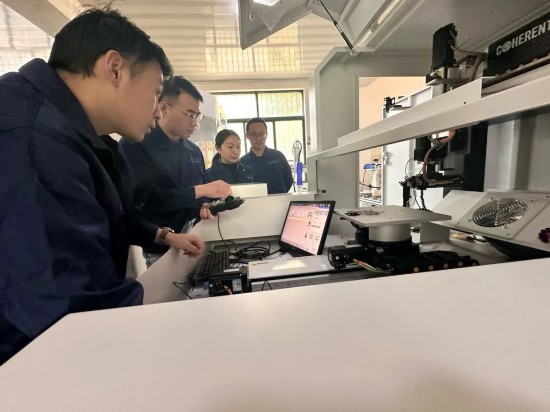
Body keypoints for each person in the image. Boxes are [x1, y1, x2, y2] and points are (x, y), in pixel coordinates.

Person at [0, 8, 205, 365]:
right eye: (155, 92)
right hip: (26, 361)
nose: (157, 110)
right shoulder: (32, 139)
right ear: (114, 69)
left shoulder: (73, 132)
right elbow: (71, 304)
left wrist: (162, 235)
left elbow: (108, 213)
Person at [119, 76, 231, 266]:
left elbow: (195, 198)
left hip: (195, 242)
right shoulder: (135, 144)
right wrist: (202, 190)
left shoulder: (193, 151)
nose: (195, 123)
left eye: (197, 116)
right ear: (163, 108)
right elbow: (146, 201)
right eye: (189, 114)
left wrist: (205, 207)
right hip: (160, 250)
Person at [240, 117, 293, 194]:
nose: (258, 138)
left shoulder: (278, 156)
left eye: (262, 134)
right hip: (254, 201)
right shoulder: (242, 163)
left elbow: (288, 180)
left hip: (280, 200)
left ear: (266, 134)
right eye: (254, 134)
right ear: (247, 136)